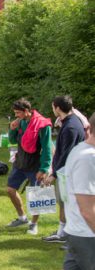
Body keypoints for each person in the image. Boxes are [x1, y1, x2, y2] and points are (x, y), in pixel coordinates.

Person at [28, 111, 95, 270]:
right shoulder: (88, 157)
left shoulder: (82, 151)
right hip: (87, 235)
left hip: (78, 233)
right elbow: (89, 209)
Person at [42, 95, 86, 244]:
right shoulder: (68, 123)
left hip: (69, 173)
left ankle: (67, 235)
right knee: (64, 202)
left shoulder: (71, 126)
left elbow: (67, 154)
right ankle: (63, 232)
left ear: (58, 107)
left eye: (53, 107)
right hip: (64, 170)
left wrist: (53, 175)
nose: (52, 110)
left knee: (67, 203)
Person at [5, 98, 53, 236]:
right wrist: (12, 129)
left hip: (35, 165)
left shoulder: (43, 125)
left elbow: (47, 147)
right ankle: (22, 218)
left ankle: (34, 224)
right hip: (20, 163)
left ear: (27, 111)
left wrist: (44, 169)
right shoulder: (21, 122)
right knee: (10, 190)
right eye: (15, 113)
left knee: (37, 196)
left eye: (18, 113)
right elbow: (13, 140)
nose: (16, 116)